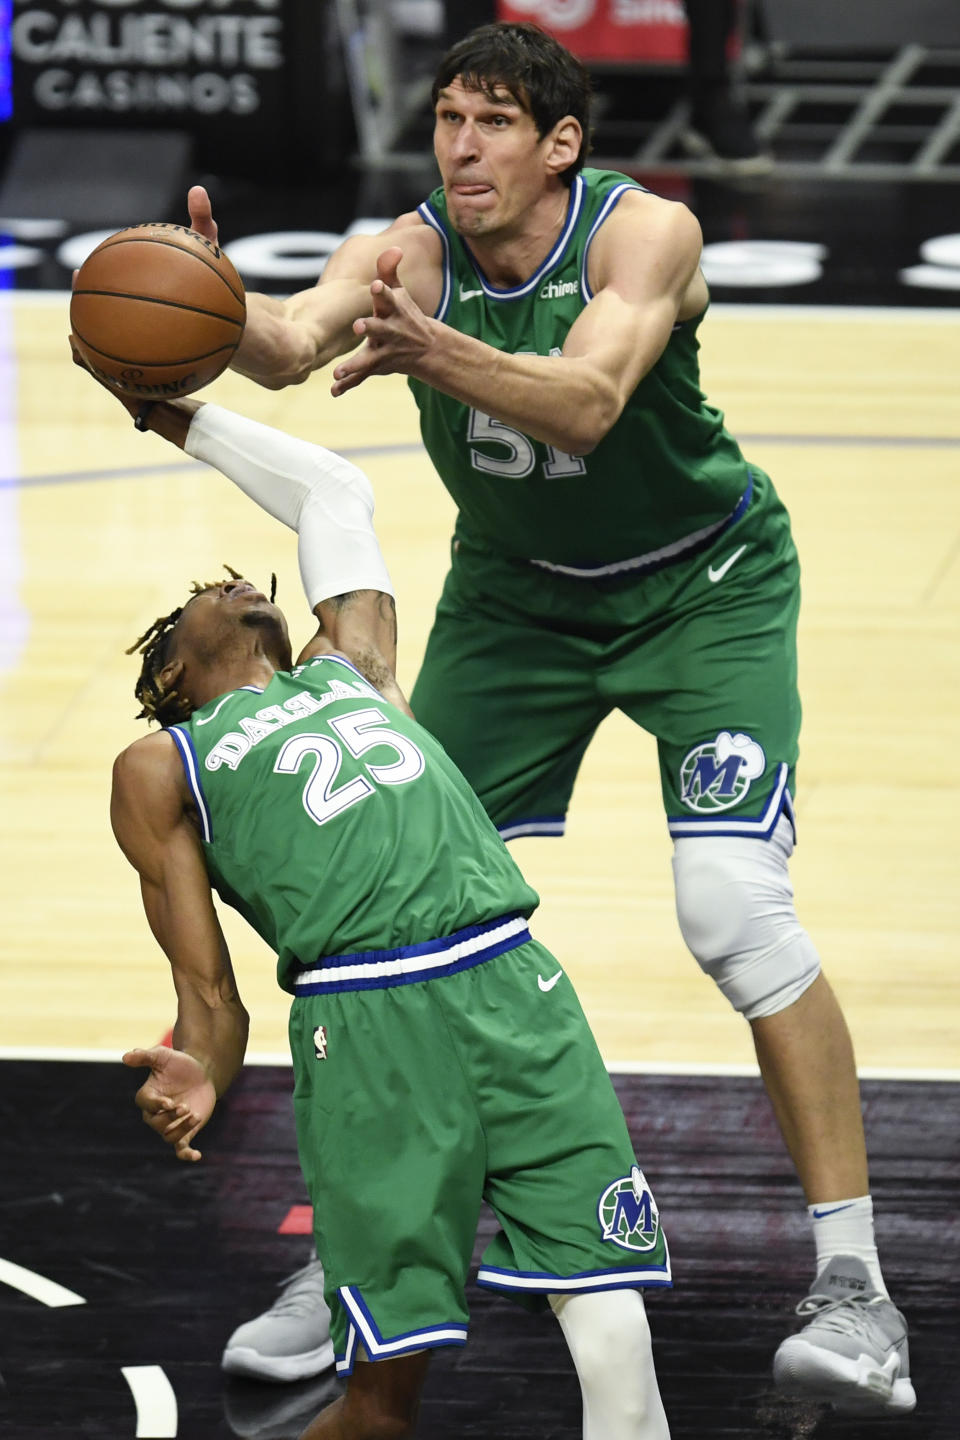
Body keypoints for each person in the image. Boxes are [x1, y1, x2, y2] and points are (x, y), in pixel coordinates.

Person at [186, 18, 914, 1418]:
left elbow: (584, 402)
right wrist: (209, 304)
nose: (461, 147)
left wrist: (429, 347)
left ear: (560, 146)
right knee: (384, 893)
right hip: (521, 603)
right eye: (449, 120)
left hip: (702, 591)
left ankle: (855, 1287)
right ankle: (360, 1248)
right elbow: (284, 349)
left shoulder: (650, 237)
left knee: (732, 911)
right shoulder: (404, 251)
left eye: (495, 124)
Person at [91, 371, 674, 1439]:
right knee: (382, 1400)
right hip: (369, 1030)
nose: (234, 583)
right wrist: (203, 1073)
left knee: (615, 1336)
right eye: (199, 599)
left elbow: (331, 491)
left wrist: (160, 406)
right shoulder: (162, 766)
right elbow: (209, 994)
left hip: (518, 988)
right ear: (174, 677)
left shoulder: (353, 671)